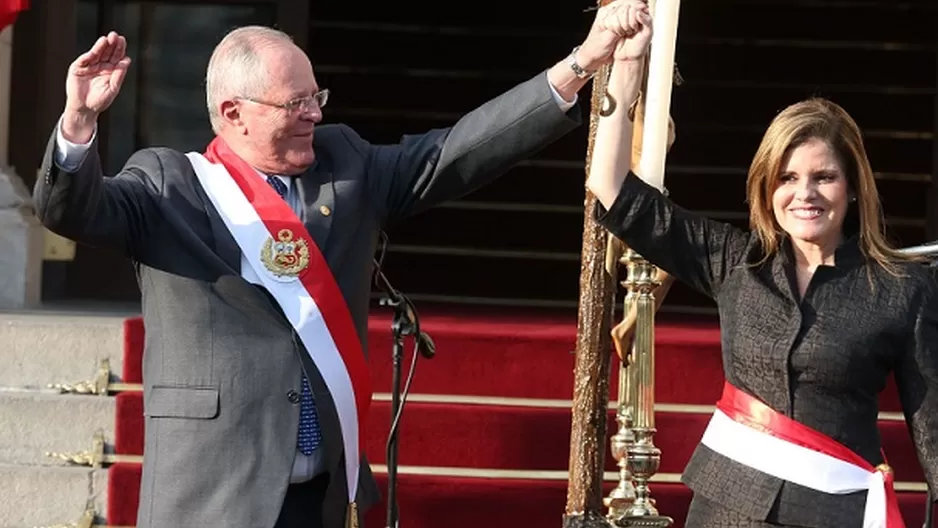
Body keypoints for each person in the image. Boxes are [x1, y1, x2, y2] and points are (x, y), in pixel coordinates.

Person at [34, 4, 647, 527]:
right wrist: (79, 122)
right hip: (212, 490)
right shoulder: (168, 185)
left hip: (319, 490)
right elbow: (73, 213)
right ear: (233, 113)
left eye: (315, 96)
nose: (314, 114)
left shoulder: (345, 164)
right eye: (295, 102)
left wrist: (580, 65)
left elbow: (455, 153)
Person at [585, 9, 938, 528]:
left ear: (854, 186)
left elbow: (931, 429)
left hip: (835, 514)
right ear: (766, 187)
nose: (805, 194)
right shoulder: (734, 260)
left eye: (824, 177)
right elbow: (611, 188)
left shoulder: (903, 290)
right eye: (787, 177)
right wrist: (628, 66)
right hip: (725, 510)